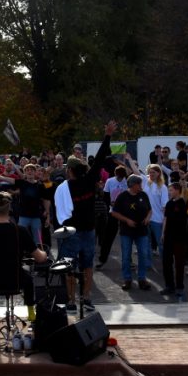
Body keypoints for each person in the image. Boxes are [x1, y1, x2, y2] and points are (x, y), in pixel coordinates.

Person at [54, 120, 116, 312]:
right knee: (88, 265)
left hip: (71, 232)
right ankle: (87, 299)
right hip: (89, 231)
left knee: (69, 267)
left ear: (70, 170)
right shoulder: (90, 180)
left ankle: (71, 301)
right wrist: (107, 135)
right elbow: (99, 159)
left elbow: (58, 211)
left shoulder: (64, 187)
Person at [0, 191, 48, 330]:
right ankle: (31, 313)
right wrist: (44, 253)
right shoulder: (21, 230)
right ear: (10, 209)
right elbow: (40, 258)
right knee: (29, 280)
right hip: (15, 280)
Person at [110, 174, 152, 291]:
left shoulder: (143, 195)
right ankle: (127, 279)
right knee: (126, 256)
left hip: (142, 230)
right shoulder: (122, 196)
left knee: (143, 254)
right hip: (126, 231)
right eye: (139, 184)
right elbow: (114, 212)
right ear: (133, 185)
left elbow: (150, 210)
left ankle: (142, 279)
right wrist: (127, 220)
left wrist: (148, 218)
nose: (141, 186)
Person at [160, 181, 188, 299]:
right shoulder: (169, 203)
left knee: (179, 263)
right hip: (168, 237)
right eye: (169, 190)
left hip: (180, 238)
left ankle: (179, 287)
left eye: (171, 190)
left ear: (177, 190)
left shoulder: (183, 202)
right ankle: (169, 286)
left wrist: (184, 183)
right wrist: (163, 233)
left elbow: (186, 194)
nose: (169, 192)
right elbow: (166, 219)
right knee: (166, 262)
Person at [96, 164, 128, 269]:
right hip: (112, 212)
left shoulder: (127, 181)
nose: (120, 179)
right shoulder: (110, 181)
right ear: (115, 174)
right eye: (118, 177)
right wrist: (110, 203)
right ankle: (102, 259)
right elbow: (105, 197)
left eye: (122, 177)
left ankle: (129, 261)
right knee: (108, 237)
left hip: (125, 213)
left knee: (127, 237)